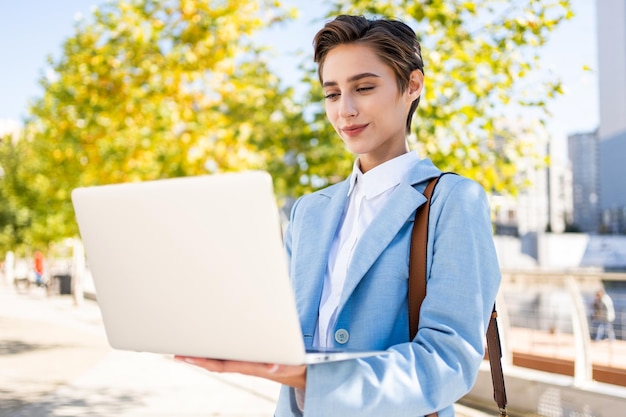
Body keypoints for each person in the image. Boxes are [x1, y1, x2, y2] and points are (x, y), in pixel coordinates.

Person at [175, 14, 501, 416]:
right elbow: (290, 334)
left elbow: (448, 361)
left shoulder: (454, 201)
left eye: (363, 88)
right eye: (331, 94)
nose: (345, 110)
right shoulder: (309, 211)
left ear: (412, 86)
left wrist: (316, 378)